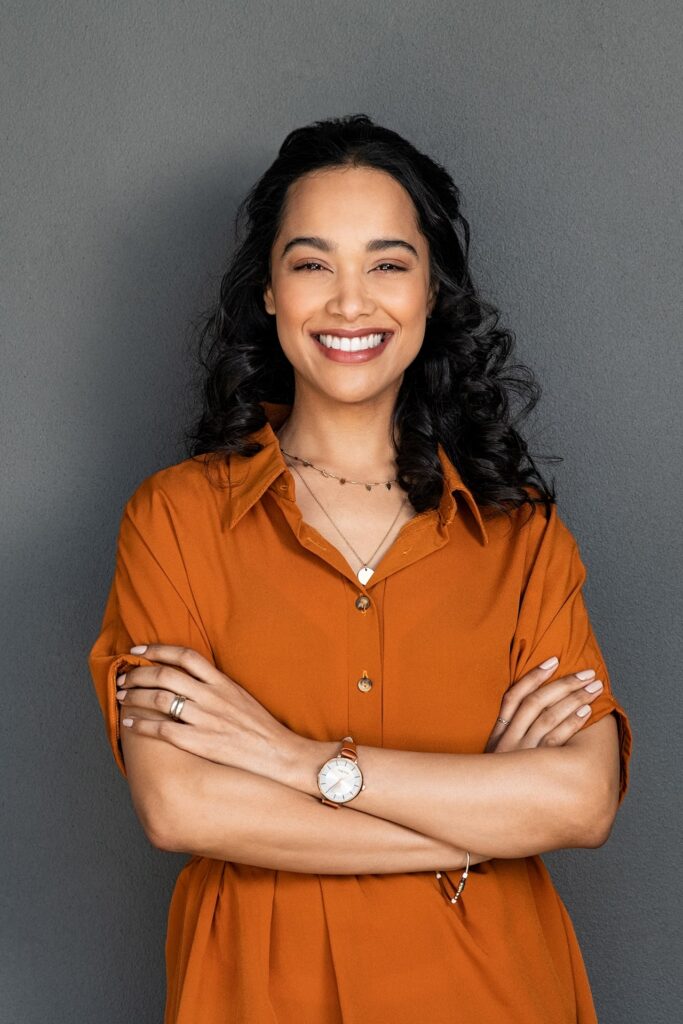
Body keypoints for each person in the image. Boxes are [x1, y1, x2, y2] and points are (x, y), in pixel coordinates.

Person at [88, 114, 632, 1023]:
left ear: (430, 291)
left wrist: (291, 761)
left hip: (494, 993)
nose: (350, 303)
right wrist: (468, 827)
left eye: (387, 263)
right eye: (311, 264)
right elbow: (181, 807)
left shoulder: (522, 539)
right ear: (267, 290)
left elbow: (580, 801)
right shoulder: (175, 519)